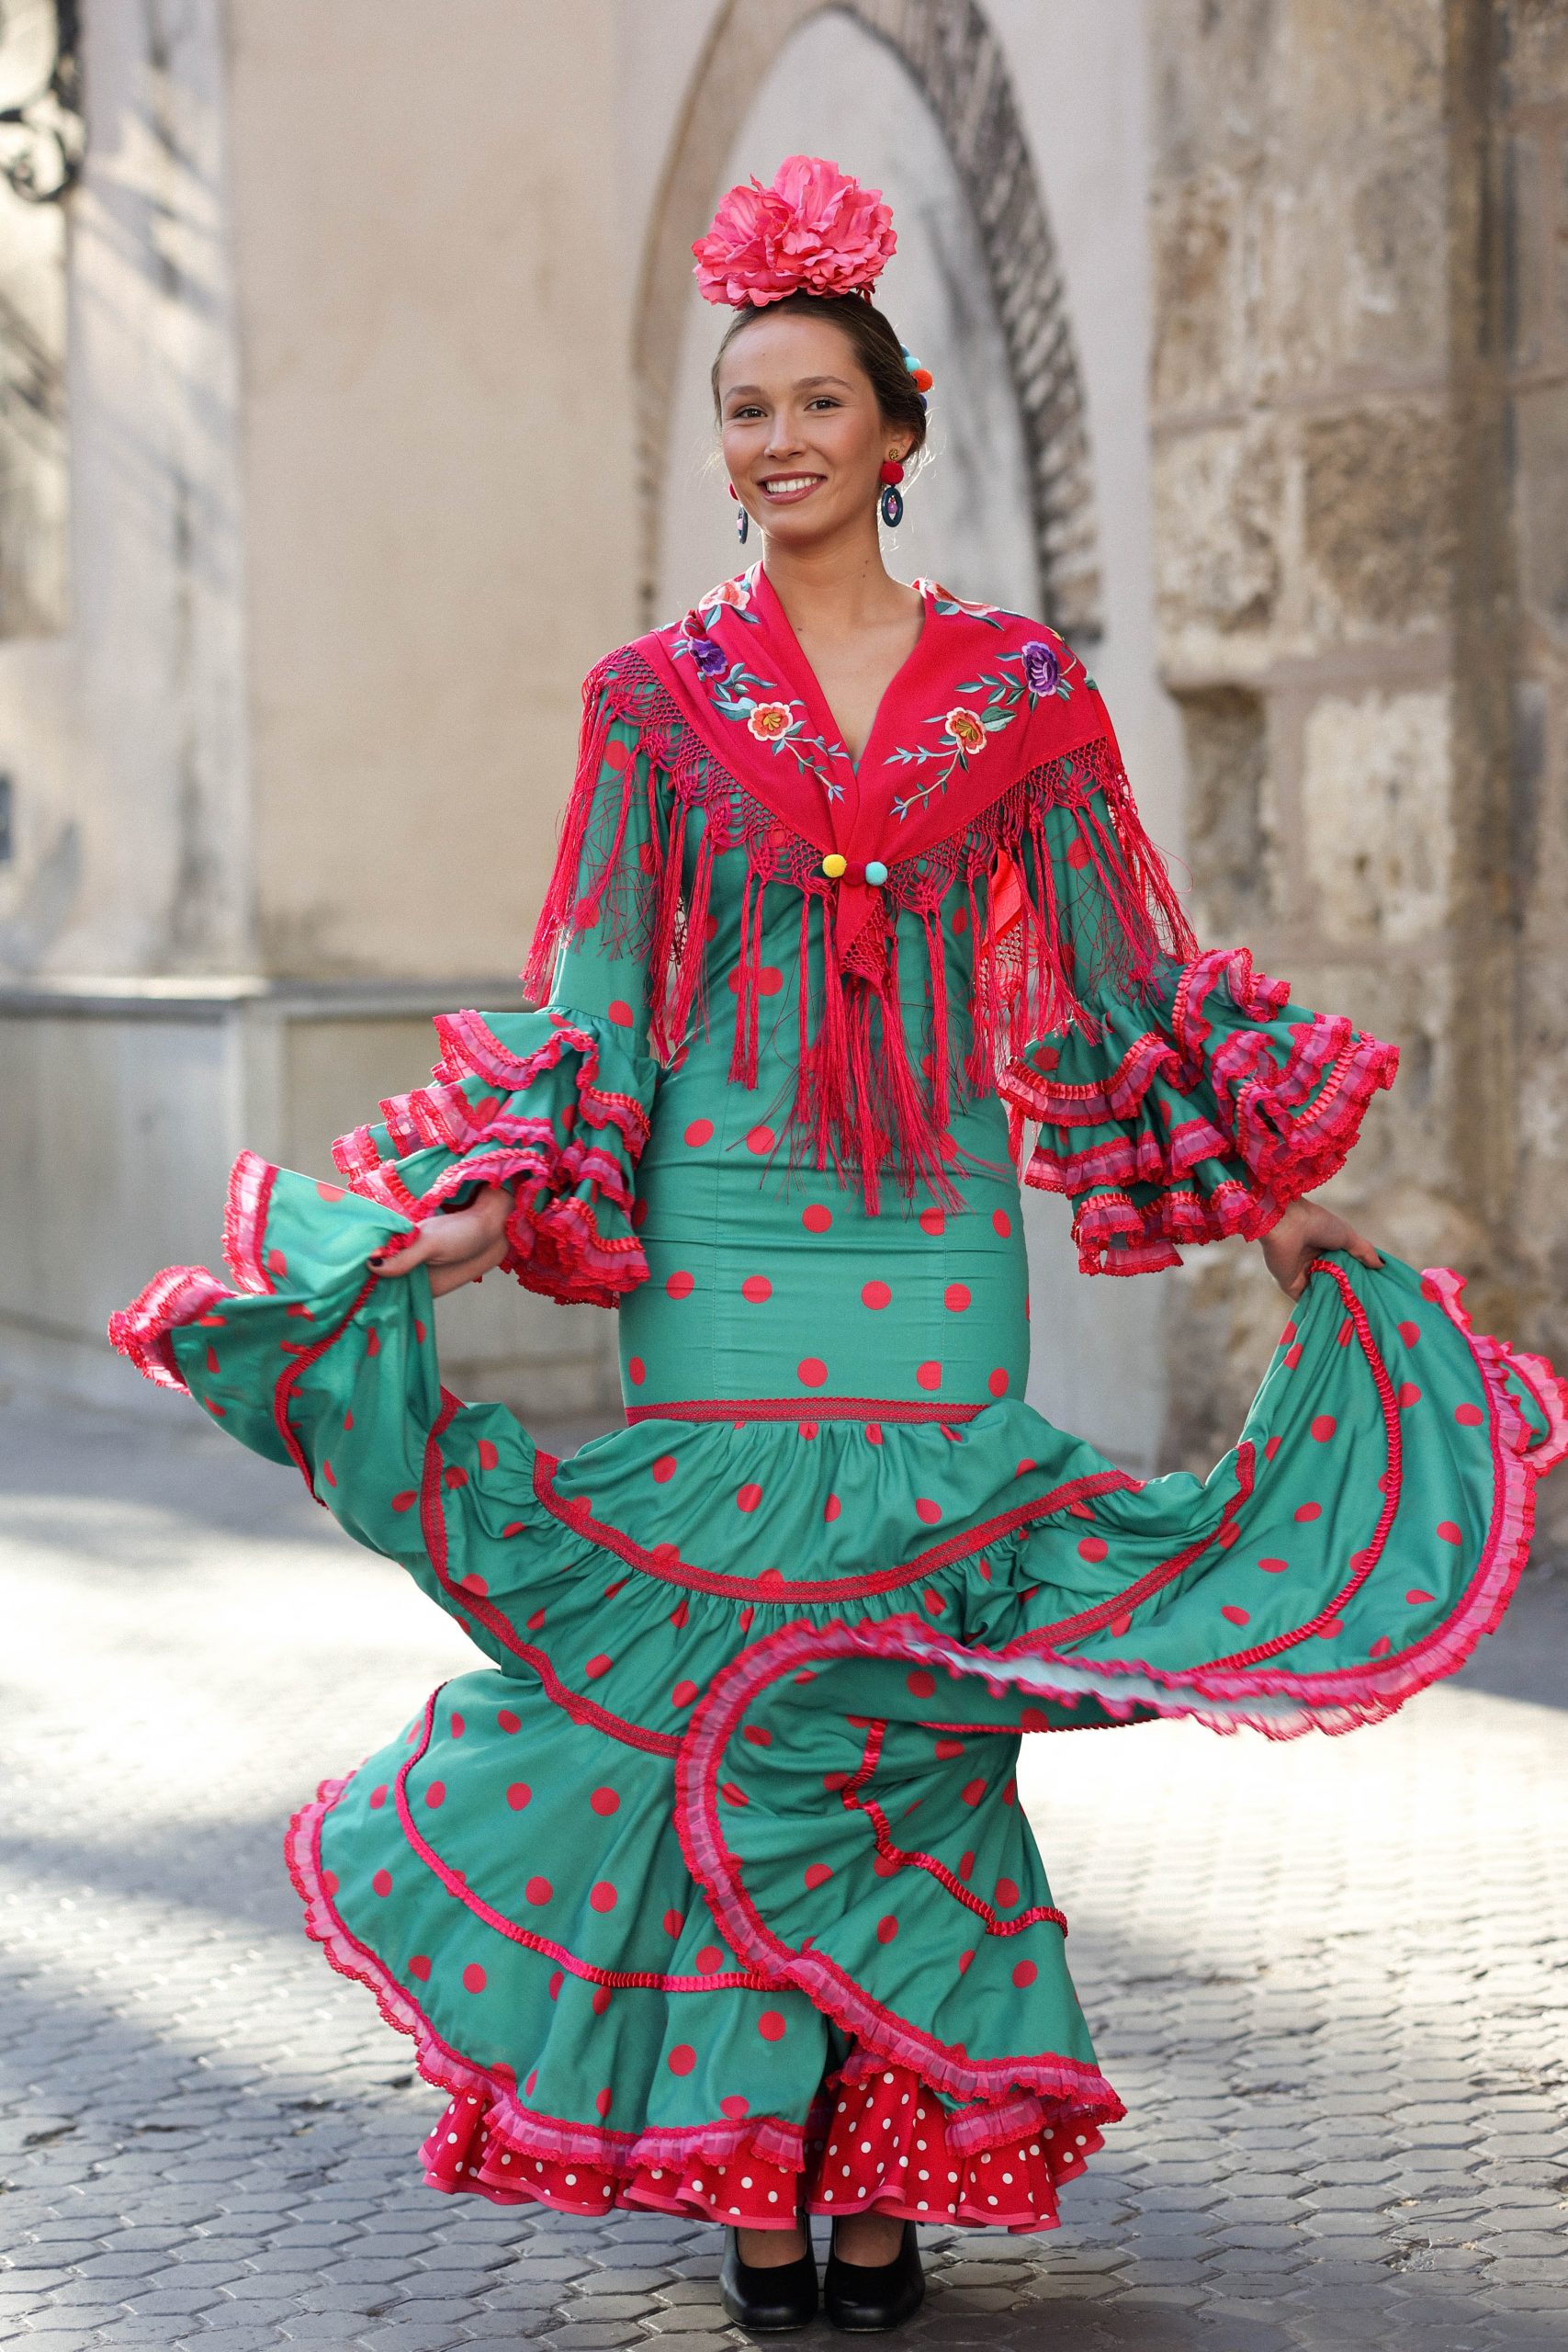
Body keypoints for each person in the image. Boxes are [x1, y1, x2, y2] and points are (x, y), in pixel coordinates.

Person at [111, 155, 1566, 2335]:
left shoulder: (1022, 693)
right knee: (723, 1687)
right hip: (719, 1228)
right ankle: (754, 2170)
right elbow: (604, 989)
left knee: (905, 1701)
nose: (775, 442)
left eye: (812, 404)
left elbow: (1106, 986)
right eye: (742, 411)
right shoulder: (651, 700)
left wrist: (1279, 1210)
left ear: (894, 434)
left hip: (925, 1235)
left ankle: (882, 2166)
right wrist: (480, 1206)